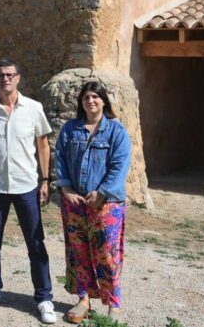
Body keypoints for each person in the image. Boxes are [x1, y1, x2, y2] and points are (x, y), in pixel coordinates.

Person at [0, 59, 57, 323]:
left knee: (35, 242)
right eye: (0, 75)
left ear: (18, 78)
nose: (5, 79)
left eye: (10, 74)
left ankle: (44, 298)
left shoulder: (34, 108)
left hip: (26, 185)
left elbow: (43, 145)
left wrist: (45, 180)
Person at [54, 81, 131, 323]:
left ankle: (113, 303)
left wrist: (102, 193)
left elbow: (119, 165)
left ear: (104, 101)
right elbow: (61, 160)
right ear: (81, 103)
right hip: (75, 203)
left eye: (95, 97)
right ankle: (83, 299)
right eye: (86, 97)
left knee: (107, 253)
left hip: (106, 205)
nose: (91, 101)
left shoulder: (116, 132)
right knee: (78, 253)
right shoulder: (70, 130)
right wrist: (65, 189)